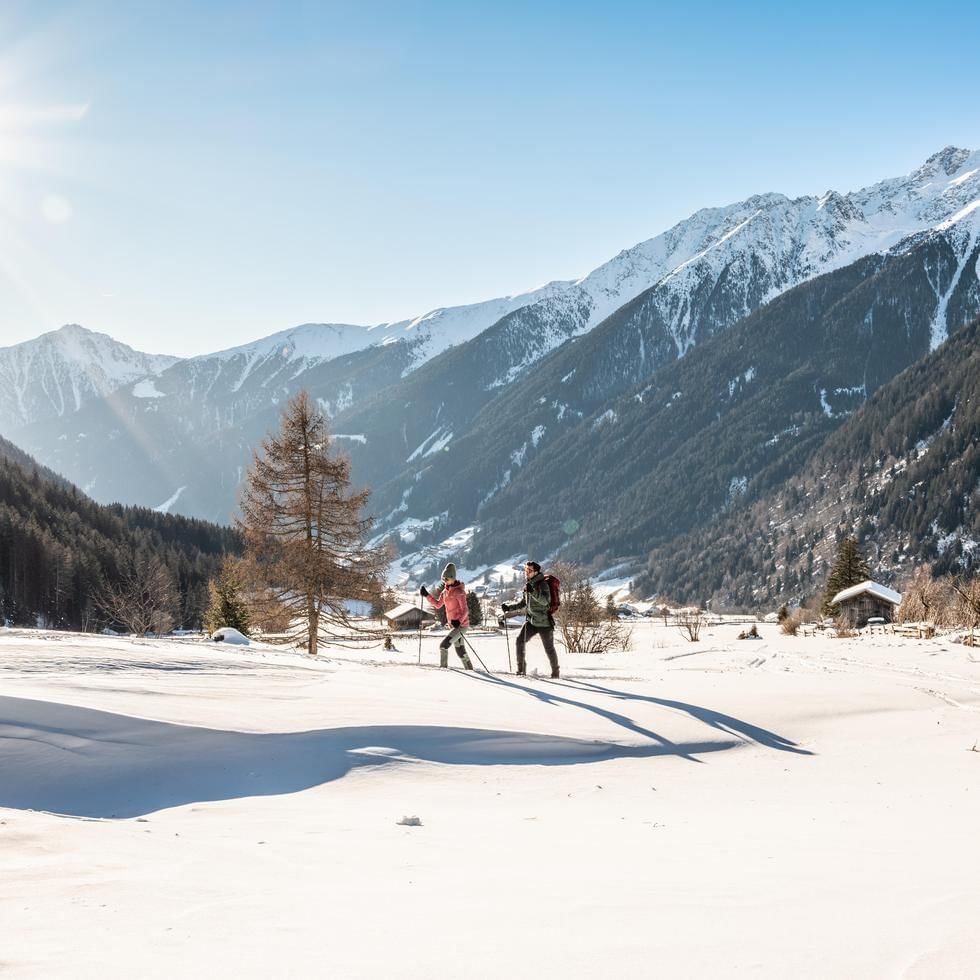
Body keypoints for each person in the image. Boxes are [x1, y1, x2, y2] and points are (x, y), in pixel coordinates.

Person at [501, 560, 560, 678]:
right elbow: (523, 603)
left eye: (529, 570)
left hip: (544, 623)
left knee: (549, 649)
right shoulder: (529, 585)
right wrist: (509, 608)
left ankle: (555, 673)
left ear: (536, 572)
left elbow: (546, 602)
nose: (526, 572)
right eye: (526, 570)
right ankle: (521, 670)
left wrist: (532, 592)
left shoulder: (542, 584)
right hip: (531, 622)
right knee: (519, 641)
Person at [420, 563, 473, 669]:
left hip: (461, 626)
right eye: (443, 579)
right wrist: (427, 595)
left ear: (453, 577)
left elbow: (465, 610)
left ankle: (443, 670)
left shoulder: (459, 592)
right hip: (454, 626)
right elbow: (438, 604)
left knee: (443, 646)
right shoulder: (445, 592)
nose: (445, 581)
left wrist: (458, 621)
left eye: (447, 579)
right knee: (460, 651)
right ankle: (470, 670)